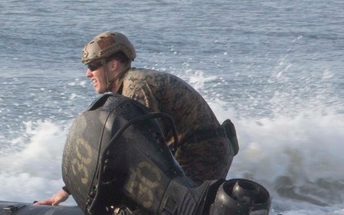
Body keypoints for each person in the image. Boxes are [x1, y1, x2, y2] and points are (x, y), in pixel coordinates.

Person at [37, 31, 235, 205]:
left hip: (201, 153)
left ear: (113, 65)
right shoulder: (127, 88)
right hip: (191, 150)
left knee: (175, 211)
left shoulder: (136, 87)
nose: (88, 73)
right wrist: (68, 190)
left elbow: (143, 148)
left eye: (93, 65)